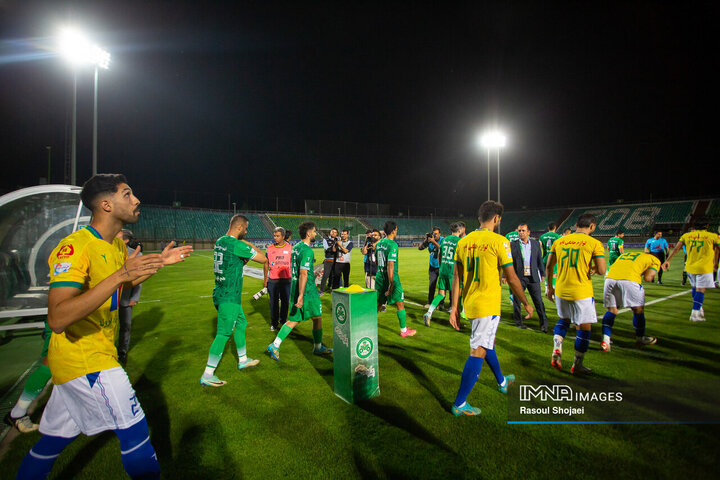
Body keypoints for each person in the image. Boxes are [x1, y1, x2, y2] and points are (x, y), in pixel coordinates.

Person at [16, 174, 192, 479]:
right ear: (106, 204)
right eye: (127, 194)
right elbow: (57, 317)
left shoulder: (114, 247)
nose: (136, 200)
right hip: (84, 359)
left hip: (91, 356)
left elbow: (120, 285)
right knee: (136, 434)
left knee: (53, 442)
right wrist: (119, 276)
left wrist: (159, 262)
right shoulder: (75, 247)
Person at [448, 201, 533, 416]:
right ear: (496, 219)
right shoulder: (500, 241)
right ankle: (459, 403)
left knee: (487, 343)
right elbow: (512, 278)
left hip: (471, 304)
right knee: (479, 350)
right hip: (488, 305)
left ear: (479, 218)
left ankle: (502, 381)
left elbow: (457, 277)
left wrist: (455, 307)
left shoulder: (463, 242)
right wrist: (525, 302)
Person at [201, 215, 267, 387]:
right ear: (239, 228)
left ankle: (243, 359)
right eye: (245, 229)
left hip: (221, 291)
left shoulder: (220, 241)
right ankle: (208, 373)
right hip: (229, 295)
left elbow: (233, 263)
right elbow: (263, 258)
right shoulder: (237, 244)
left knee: (241, 323)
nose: (246, 231)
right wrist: (249, 244)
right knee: (223, 333)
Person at [546, 213, 606, 375]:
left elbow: (549, 266)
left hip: (561, 289)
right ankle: (577, 365)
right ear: (592, 226)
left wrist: (549, 288)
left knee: (563, 320)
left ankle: (557, 348)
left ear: (577, 225)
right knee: (584, 329)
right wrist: (592, 268)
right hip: (581, 292)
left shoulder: (560, 241)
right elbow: (601, 270)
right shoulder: (594, 243)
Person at [266, 222, 333, 361]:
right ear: (308, 233)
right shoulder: (307, 251)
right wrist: (301, 296)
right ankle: (318, 347)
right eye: (314, 231)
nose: (315, 234)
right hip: (307, 290)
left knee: (296, 318)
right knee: (317, 316)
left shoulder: (295, 248)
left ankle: (276, 344)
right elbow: (303, 273)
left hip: (295, 286)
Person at [600, 251, 660, 351]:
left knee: (611, 310)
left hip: (609, 279)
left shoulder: (626, 255)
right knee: (638, 310)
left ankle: (605, 342)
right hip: (630, 280)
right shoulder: (655, 259)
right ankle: (640, 339)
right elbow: (648, 278)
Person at [663, 222, 720, 322]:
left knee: (694, 288)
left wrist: (668, 260)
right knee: (700, 290)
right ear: (707, 226)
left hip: (689, 267)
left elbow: (676, 248)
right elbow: (718, 248)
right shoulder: (713, 236)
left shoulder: (686, 235)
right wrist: (715, 262)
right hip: (704, 268)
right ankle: (695, 313)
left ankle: (699, 308)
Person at [4, 323, 53, 434]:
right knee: (49, 366)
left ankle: (18, 413)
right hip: (65, 320)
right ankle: (17, 413)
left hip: (75, 318)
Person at [376, 221, 417, 337]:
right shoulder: (392, 245)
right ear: (393, 230)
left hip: (379, 276)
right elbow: (390, 264)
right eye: (396, 229)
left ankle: (366, 326)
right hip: (391, 277)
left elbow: (376, 260)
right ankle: (404, 331)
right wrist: (391, 283)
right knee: (400, 302)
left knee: (378, 304)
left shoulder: (379, 243)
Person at [424, 222, 466, 326]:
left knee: (441, 294)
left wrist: (441, 265)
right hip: (454, 272)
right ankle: (457, 321)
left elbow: (440, 254)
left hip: (443, 270)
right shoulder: (460, 241)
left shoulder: (445, 240)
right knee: (458, 296)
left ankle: (429, 313)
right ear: (459, 231)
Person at [510, 224, 549, 332]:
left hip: (533, 276)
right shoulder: (513, 244)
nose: (521, 232)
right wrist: (505, 275)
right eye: (519, 231)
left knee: (538, 301)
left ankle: (544, 324)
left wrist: (542, 273)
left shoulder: (536, 244)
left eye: (523, 230)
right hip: (519, 276)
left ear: (528, 232)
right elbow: (509, 261)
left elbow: (539, 260)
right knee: (517, 300)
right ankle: (518, 322)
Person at [116, 229, 142, 365]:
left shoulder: (135, 254)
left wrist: (134, 297)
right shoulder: (107, 251)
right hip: (107, 297)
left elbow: (138, 281)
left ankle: (122, 352)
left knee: (125, 326)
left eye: (118, 236)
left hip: (125, 298)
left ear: (126, 240)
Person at [263, 227, 292, 332]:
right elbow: (266, 264)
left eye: (277, 236)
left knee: (285, 302)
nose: (275, 238)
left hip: (286, 280)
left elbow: (293, 263)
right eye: (274, 235)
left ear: (283, 237)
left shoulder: (290, 248)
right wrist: (265, 278)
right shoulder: (269, 248)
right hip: (273, 280)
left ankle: (283, 321)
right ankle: (274, 323)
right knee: (273, 303)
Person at [418, 227, 443, 308]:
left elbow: (442, 249)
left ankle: (441, 304)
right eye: (433, 233)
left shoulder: (443, 240)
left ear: (439, 234)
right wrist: (426, 240)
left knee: (441, 286)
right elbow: (420, 248)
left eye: (436, 234)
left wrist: (433, 241)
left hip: (441, 266)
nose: (435, 235)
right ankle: (430, 302)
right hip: (432, 265)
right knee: (431, 285)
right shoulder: (430, 240)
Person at [539, 222, 561, 290]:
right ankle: (552, 288)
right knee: (554, 274)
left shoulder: (542, 236)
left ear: (548, 228)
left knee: (546, 273)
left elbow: (539, 247)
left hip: (545, 258)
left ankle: (546, 288)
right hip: (553, 258)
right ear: (555, 228)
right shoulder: (557, 237)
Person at [319, 228, 340, 294]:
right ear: (330, 232)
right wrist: (333, 248)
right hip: (328, 260)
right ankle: (321, 291)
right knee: (325, 275)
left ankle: (331, 288)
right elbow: (326, 248)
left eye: (335, 232)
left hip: (336, 261)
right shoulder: (326, 239)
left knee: (333, 276)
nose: (333, 233)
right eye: (332, 232)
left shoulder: (338, 240)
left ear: (337, 234)